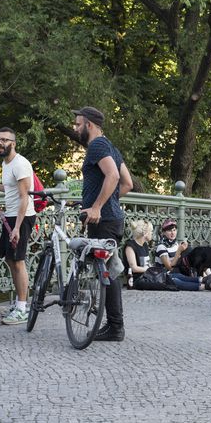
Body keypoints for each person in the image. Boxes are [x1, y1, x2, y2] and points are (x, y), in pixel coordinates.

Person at [73, 106, 133, 341]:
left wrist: (98, 206)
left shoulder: (97, 145)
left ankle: (116, 327)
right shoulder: (111, 147)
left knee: (106, 273)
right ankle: (114, 325)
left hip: (103, 220)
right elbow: (127, 183)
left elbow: (115, 177)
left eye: (78, 124)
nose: (76, 128)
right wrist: (108, 203)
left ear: (89, 125)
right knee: (109, 272)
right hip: (111, 218)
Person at [0, 127, 36, 325]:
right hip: (10, 217)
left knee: (18, 261)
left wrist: (18, 228)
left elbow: (24, 197)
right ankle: (20, 304)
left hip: (21, 217)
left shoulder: (20, 164)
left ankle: (22, 308)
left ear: (13, 143)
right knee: (11, 260)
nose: (0, 143)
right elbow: (12, 188)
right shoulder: (6, 163)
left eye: (4, 140)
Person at [154, 219, 202, 290]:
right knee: (178, 281)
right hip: (165, 275)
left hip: (178, 271)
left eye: (174, 230)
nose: (172, 233)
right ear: (163, 232)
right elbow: (169, 268)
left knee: (190, 250)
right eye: (169, 231)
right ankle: (205, 285)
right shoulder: (161, 246)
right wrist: (179, 251)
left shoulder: (175, 244)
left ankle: (207, 277)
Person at [123, 220, 153, 288]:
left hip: (147, 276)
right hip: (137, 280)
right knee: (167, 284)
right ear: (145, 233)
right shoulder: (130, 246)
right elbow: (134, 268)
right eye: (151, 231)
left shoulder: (144, 245)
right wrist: (149, 270)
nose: (152, 233)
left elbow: (147, 264)